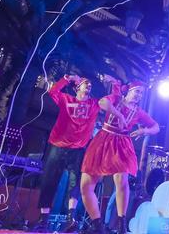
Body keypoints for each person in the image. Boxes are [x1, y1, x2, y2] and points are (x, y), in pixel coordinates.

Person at [34, 73, 119, 231]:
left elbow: (113, 98)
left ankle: (70, 219)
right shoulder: (67, 99)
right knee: (49, 181)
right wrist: (67, 78)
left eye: (90, 85)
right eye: (85, 83)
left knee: (76, 183)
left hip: (78, 150)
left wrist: (114, 83)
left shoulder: (94, 104)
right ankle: (43, 220)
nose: (89, 86)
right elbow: (52, 92)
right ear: (77, 88)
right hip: (58, 146)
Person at [79, 81, 159, 234]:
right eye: (137, 91)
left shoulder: (139, 112)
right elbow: (102, 102)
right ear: (129, 90)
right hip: (103, 140)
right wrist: (119, 114)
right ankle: (97, 225)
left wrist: (143, 132)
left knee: (121, 182)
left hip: (121, 144)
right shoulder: (116, 99)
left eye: (142, 93)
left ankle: (121, 224)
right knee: (86, 185)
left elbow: (155, 126)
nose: (139, 95)